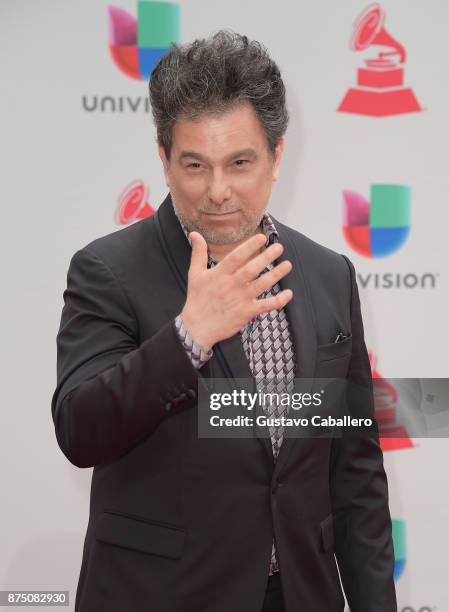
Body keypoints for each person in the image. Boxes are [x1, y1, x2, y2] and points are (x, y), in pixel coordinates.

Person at [51, 30, 397, 612]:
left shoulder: (328, 273)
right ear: (163, 159)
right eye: (194, 165)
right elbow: (80, 430)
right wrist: (189, 337)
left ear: (276, 156)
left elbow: (354, 472)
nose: (217, 191)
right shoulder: (108, 271)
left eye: (239, 163)